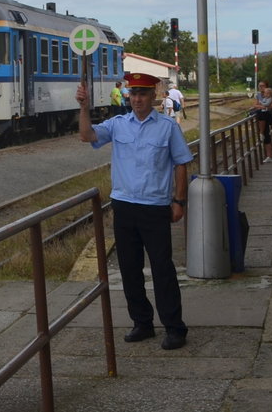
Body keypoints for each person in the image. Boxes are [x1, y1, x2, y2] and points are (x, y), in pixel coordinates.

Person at [77, 72, 191, 350]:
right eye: (134, 94)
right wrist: (83, 107)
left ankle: (175, 328)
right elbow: (86, 135)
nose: (138, 99)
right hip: (124, 207)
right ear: (128, 97)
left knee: (163, 269)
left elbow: (181, 164)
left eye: (143, 94)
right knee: (130, 269)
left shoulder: (167, 127)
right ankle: (142, 323)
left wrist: (179, 202)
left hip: (154, 208)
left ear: (154, 97)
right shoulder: (118, 125)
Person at [252, 81, 272, 162]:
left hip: (270, 115)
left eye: (262, 86)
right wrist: (262, 106)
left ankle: (261, 133)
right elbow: (255, 105)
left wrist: (264, 107)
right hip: (263, 115)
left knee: (265, 132)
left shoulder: (271, 94)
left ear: (266, 86)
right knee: (266, 133)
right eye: (259, 86)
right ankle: (269, 156)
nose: (261, 87)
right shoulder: (258, 95)